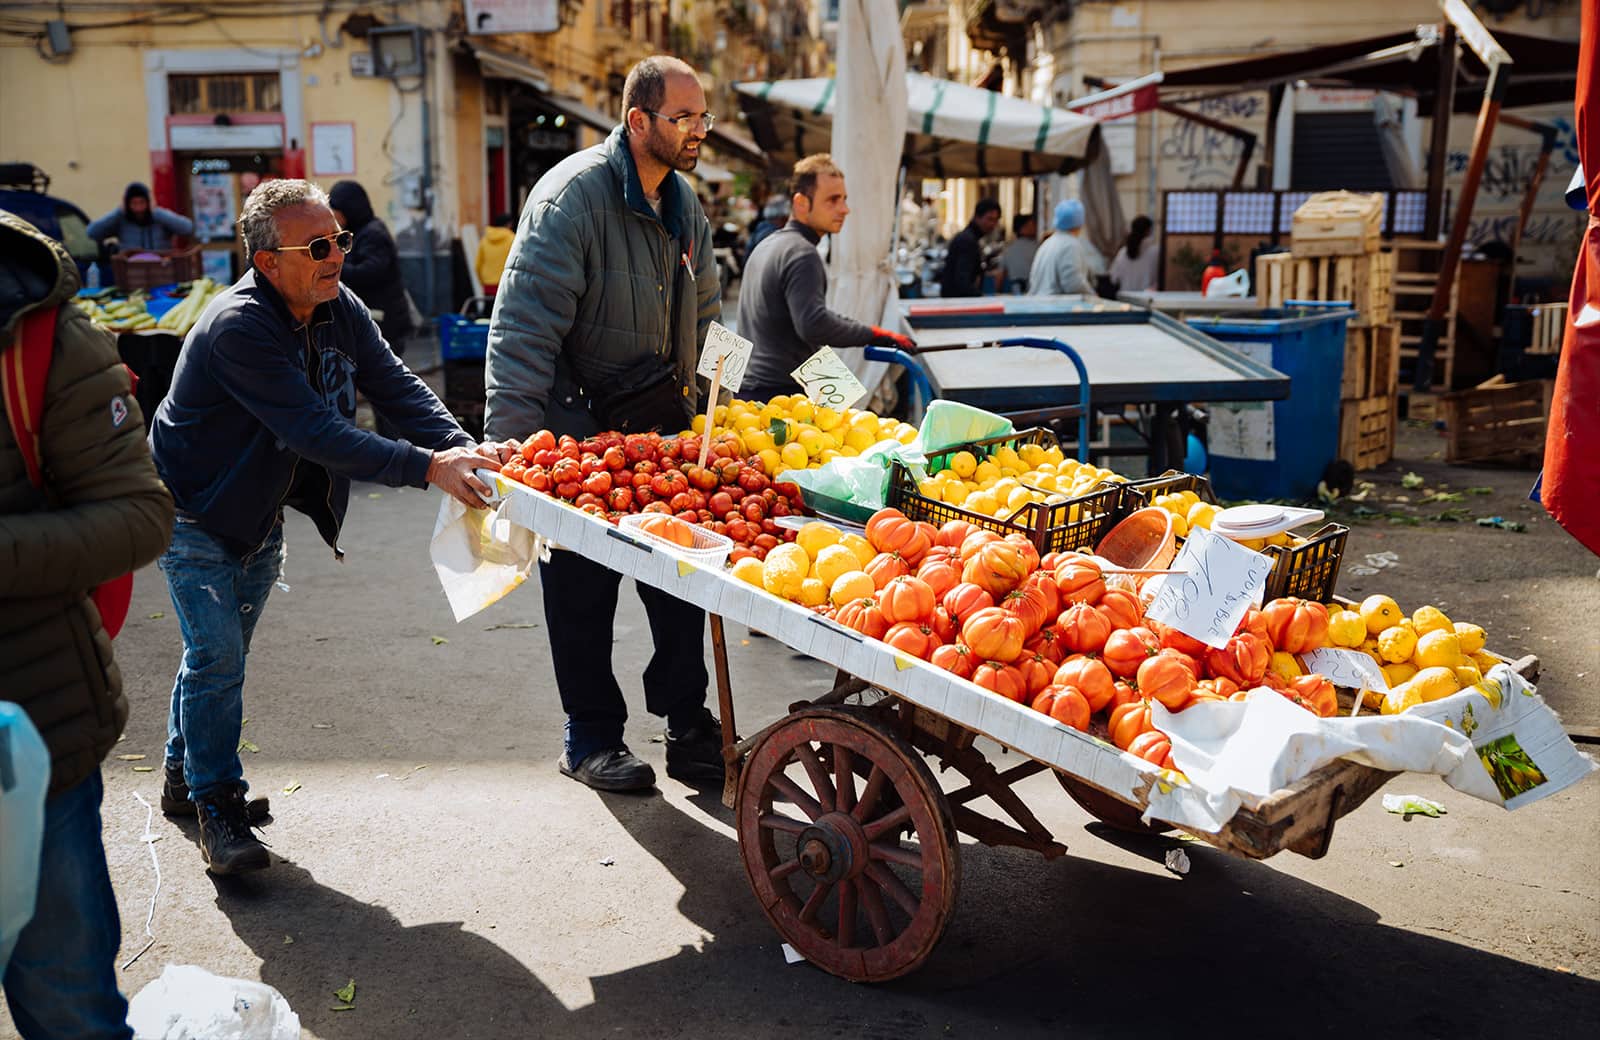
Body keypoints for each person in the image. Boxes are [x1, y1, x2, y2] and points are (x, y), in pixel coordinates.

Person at [148, 179, 506, 876]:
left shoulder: (337, 305)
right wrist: (429, 467)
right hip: (192, 508)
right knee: (217, 659)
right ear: (266, 260)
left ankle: (179, 775)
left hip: (259, 506)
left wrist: (462, 444)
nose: (335, 254)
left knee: (215, 658)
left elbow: (394, 383)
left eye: (338, 239)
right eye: (317, 245)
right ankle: (217, 804)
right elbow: (317, 431)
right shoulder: (238, 327)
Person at [485, 54, 725, 793]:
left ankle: (688, 724)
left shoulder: (688, 208)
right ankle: (589, 737)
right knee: (582, 594)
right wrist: (516, 450)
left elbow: (709, 318)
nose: (697, 130)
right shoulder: (572, 198)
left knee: (681, 585)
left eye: (702, 116)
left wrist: (722, 415)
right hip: (577, 437)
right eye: (682, 117)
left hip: (659, 434)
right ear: (638, 120)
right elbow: (522, 328)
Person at [1, 208, 175, 1038]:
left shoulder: (35, 330)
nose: (333, 263)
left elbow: (142, 517)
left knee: (66, 1000)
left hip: (34, 730)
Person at [738, 153, 916, 402]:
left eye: (844, 199)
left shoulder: (768, 244)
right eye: (832, 200)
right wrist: (874, 334)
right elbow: (814, 324)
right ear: (801, 203)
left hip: (756, 388)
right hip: (780, 395)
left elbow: (809, 318)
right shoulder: (802, 253)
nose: (845, 209)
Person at [328, 179, 415, 352]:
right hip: (374, 317)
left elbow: (370, 273)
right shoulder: (358, 231)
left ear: (349, 210)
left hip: (383, 320)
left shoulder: (373, 234)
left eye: (335, 212)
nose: (333, 218)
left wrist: (332, 267)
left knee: (381, 374)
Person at [86, 180, 194, 253]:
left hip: (162, 272)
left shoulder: (160, 217)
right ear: (127, 204)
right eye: (134, 203)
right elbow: (92, 233)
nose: (138, 208)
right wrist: (119, 212)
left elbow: (187, 228)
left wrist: (156, 211)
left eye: (142, 202)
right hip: (131, 274)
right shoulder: (120, 220)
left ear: (149, 202)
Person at [1028, 199, 1095, 297]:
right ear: (1079, 223)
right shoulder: (1070, 245)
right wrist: (1092, 296)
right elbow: (1073, 284)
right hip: (1055, 307)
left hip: (1040, 304)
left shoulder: (1047, 243)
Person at [939, 197, 1000, 297]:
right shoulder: (967, 241)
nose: (992, 224)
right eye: (989, 219)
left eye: (995, 220)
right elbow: (962, 281)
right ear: (977, 217)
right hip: (958, 303)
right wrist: (979, 297)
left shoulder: (970, 238)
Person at [1109, 214, 1159, 294]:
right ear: (1148, 231)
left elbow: (1113, 278)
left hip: (1125, 298)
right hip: (1147, 298)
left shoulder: (1123, 252)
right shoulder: (1155, 252)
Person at [475, 212, 516, 296]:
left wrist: (483, 281)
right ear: (508, 224)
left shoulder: (484, 240)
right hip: (506, 284)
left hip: (488, 285)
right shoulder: (512, 239)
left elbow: (477, 265)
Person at [998, 212, 1038, 294]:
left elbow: (1000, 276)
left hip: (1016, 291)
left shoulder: (1008, 248)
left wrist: (997, 292)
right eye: (1032, 225)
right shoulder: (1038, 247)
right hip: (1035, 291)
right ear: (1023, 228)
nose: (1035, 227)